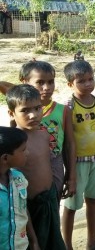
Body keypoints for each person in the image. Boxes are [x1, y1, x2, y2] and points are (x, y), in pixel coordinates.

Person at [0, 61, 77, 200]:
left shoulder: (62, 110)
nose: (46, 88)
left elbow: (69, 143)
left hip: (55, 163)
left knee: (52, 204)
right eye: (40, 82)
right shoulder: (19, 112)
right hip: (26, 163)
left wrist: (71, 176)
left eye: (50, 82)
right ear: (24, 82)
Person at [62, 60, 95, 250]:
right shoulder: (68, 107)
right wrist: (70, 171)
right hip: (78, 163)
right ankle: (67, 246)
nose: (88, 84)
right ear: (70, 84)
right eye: (82, 81)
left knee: (93, 201)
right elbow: (68, 140)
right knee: (71, 205)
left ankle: (91, 243)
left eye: (91, 79)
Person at [6, 84, 66, 249]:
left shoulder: (44, 135)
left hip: (50, 198)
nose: (33, 115)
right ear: (12, 113)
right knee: (35, 243)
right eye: (25, 110)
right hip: (28, 205)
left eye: (37, 108)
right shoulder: (14, 145)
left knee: (54, 240)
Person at [0, 127, 35, 249]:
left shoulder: (18, 179)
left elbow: (22, 210)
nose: (27, 153)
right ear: (5, 158)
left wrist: (34, 241)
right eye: (23, 150)